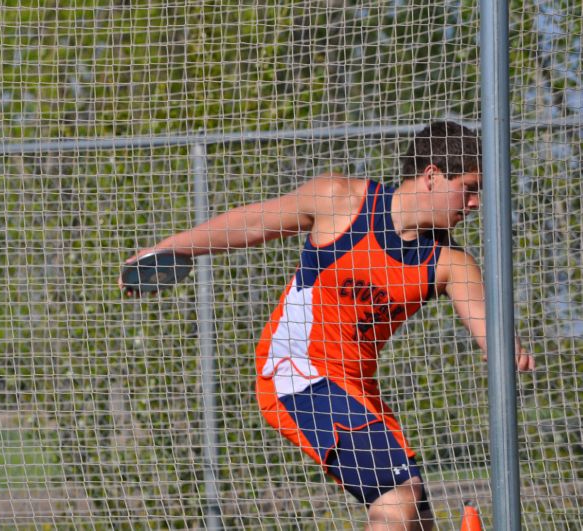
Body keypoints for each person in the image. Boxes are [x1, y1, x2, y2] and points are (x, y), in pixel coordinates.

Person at [120, 121, 535, 530]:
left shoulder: (449, 263)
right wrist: (165, 250)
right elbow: (250, 224)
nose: (477, 202)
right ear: (431, 175)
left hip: (355, 391)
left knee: (417, 521)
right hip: (297, 373)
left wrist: (508, 348)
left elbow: (492, 334)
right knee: (397, 498)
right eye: (470, 186)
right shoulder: (340, 199)